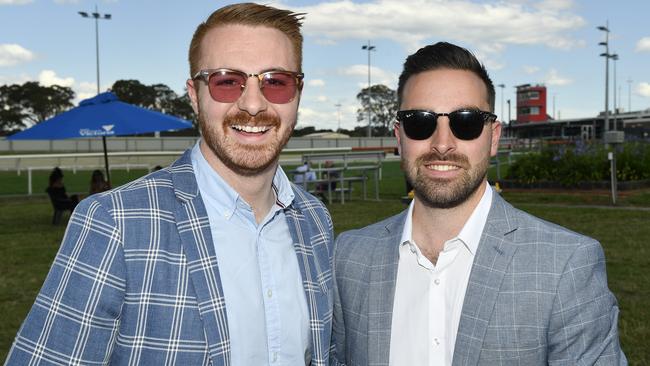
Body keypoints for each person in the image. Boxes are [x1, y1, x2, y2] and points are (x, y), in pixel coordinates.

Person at [7, 3, 334, 365]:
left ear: (298, 93)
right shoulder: (114, 222)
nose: (253, 104)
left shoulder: (315, 220)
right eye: (227, 81)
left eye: (276, 81)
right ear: (194, 95)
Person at [331, 42, 626, 365]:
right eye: (420, 122)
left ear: (494, 137)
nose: (442, 144)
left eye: (466, 122)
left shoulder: (565, 266)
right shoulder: (349, 258)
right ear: (399, 137)